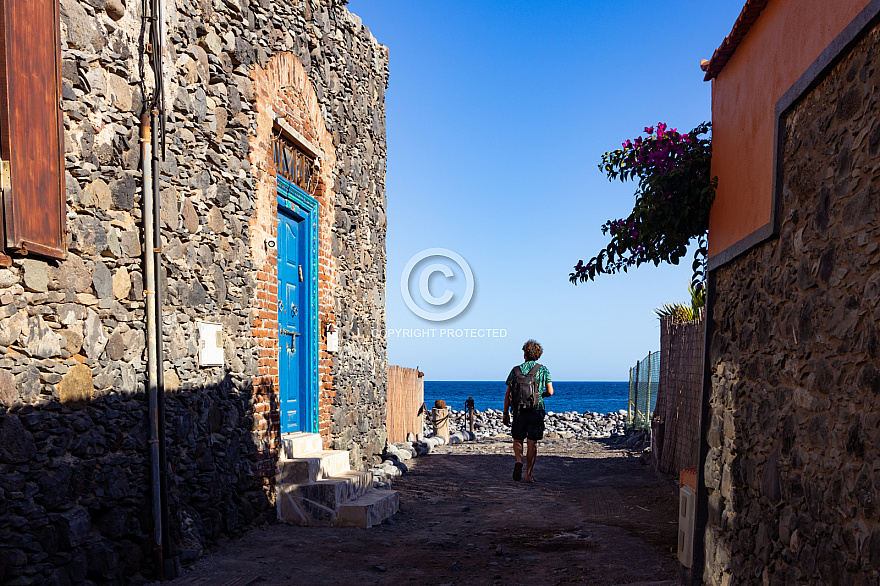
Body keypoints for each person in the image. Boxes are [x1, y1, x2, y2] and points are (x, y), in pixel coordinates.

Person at [502, 340, 553, 483]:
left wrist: (505, 413)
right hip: (536, 409)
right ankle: (528, 475)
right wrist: (542, 395)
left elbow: (508, 394)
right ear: (538, 355)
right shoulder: (543, 370)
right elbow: (550, 391)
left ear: (524, 353)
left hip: (518, 410)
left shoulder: (516, 370)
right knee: (532, 442)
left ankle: (519, 460)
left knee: (517, 439)